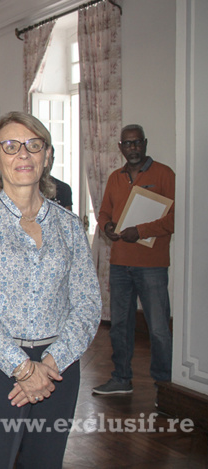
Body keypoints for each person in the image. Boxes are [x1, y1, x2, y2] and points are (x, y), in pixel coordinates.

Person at [0, 112, 101, 468]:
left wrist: (48, 366)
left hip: (59, 369)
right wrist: (23, 369)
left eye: (33, 145)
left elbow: (87, 304)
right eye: (11, 146)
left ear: (47, 156)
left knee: (45, 462)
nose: (23, 154)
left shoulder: (68, 226)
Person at [92, 124, 175, 395]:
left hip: (152, 266)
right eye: (128, 144)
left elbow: (173, 219)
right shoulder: (116, 177)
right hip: (119, 265)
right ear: (120, 147)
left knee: (159, 328)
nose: (133, 148)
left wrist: (139, 231)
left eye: (137, 142)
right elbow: (104, 212)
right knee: (119, 326)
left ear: (145, 143)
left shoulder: (164, 174)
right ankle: (121, 379)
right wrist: (107, 228)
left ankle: (164, 385)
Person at [46, 145, 73, 211]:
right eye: (45, 158)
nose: (47, 162)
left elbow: (68, 218)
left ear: (53, 160)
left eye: (50, 158)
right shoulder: (29, 187)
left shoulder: (64, 188)